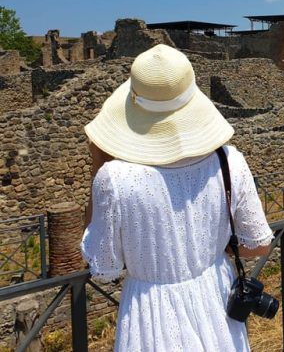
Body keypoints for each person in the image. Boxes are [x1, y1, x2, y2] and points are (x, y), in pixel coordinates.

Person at [81, 44, 273, 350]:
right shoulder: (229, 160)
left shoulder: (114, 179)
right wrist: (209, 251)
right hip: (217, 305)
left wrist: (98, 164)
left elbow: (105, 267)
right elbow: (259, 243)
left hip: (151, 317)